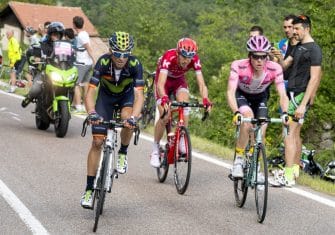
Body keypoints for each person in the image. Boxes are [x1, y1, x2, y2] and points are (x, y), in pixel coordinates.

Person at [80, 31, 144, 208]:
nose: (121, 58)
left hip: (126, 99)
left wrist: (134, 117)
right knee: (97, 142)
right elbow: (91, 90)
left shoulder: (135, 64)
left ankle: (123, 152)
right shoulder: (103, 62)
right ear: (110, 51)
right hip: (105, 99)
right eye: (117, 53)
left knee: (127, 120)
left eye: (125, 54)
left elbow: (139, 95)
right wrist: (92, 112)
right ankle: (89, 189)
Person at [227, 35, 289, 179]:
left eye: (263, 56)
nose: (259, 60)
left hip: (260, 97)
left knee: (262, 125)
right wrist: (236, 112)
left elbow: (283, 95)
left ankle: (255, 165)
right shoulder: (239, 65)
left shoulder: (275, 68)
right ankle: (239, 160)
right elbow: (230, 91)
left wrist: (285, 113)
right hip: (242, 95)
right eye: (255, 57)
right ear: (250, 56)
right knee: (247, 119)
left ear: (267, 56)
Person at [149, 37, 212, 168]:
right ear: (178, 53)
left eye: (189, 57)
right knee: (165, 115)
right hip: (164, 82)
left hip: (178, 81)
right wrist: (165, 98)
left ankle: (182, 137)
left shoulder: (194, 60)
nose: (186, 60)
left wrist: (205, 99)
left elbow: (202, 84)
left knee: (185, 104)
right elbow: (160, 84)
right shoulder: (169, 57)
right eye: (183, 56)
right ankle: (155, 149)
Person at [277, 15, 322, 187]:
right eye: (293, 28)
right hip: (291, 93)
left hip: (300, 96)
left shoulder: (314, 49)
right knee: (293, 134)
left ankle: (288, 176)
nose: (294, 32)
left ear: (307, 28)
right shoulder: (298, 46)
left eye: (297, 29)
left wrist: (303, 104)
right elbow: (285, 66)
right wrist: (276, 58)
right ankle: (294, 170)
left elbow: (315, 77)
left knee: (288, 134)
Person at [21, 22, 66, 107]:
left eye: (58, 35)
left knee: (71, 86)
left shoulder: (64, 45)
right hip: (45, 72)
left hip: (60, 73)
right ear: (50, 34)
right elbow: (34, 53)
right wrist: (36, 57)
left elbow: (70, 57)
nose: (56, 37)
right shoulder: (44, 44)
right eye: (54, 34)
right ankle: (29, 97)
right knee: (35, 89)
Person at [72, 16, 95, 113]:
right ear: (83, 24)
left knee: (75, 84)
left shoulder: (81, 36)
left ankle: (78, 106)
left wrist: (95, 60)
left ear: (74, 25)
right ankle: (87, 107)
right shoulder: (84, 33)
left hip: (82, 64)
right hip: (87, 64)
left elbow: (88, 48)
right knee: (85, 85)